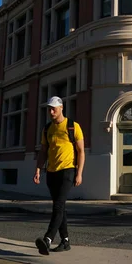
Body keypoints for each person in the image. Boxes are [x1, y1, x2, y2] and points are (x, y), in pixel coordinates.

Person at [33, 96, 85, 255]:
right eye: (49, 108)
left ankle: (48, 239)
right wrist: (38, 169)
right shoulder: (47, 128)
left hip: (68, 170)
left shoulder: (72, 126)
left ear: (61, 107)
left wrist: (79, 173)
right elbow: (43, 151)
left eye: (54, 108)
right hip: (51, 172)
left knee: (58, 205)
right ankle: (66, 240)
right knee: (60, 207)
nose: (51, 111)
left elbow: (81, 151)